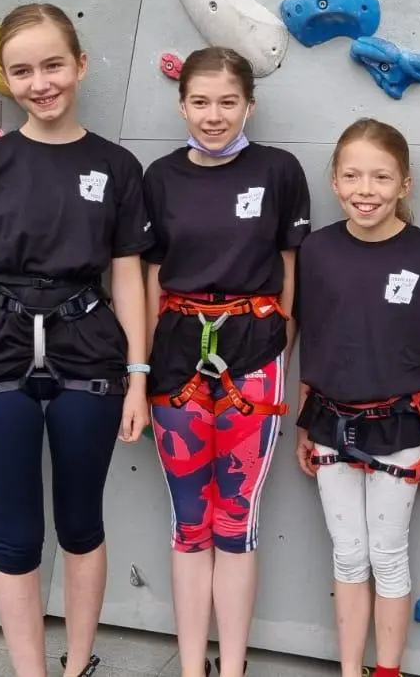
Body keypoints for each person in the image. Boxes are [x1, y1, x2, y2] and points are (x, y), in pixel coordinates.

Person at [0, 2, 152, 677]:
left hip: (90, 355)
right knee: (16, 535)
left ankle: (79, 663)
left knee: (81, 524)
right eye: (22, 71)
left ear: (79, 65)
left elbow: (127, 277)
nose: (40, 83)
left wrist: (138, 378)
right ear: (6, 79)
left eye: (53, 65)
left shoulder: (117, 167)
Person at [140, 47, 312, 677]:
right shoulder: (160, 177)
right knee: (190, 522)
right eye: (200, 102)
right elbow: (152, 273)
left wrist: (280, 346)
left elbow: (290, 266)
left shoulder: (278, 171)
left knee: (236, 518)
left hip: (255, 353)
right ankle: (193, 667)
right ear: (181, 105)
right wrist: (147, 363)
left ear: (250, 105)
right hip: (175, 357)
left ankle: (232, 666)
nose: (214, 115)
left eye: (228, 102)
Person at [292, 118, 420, 677]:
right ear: (335, 182)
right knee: (348, 554)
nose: (365, 190)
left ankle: (386, 670)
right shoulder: (316, 251)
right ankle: (350, 669)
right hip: (329, 425)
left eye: (381, 177)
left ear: (404, 184)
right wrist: (303, 424)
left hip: (401, 428)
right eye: (352, 176)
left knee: (388, 556)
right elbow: (312, 341)